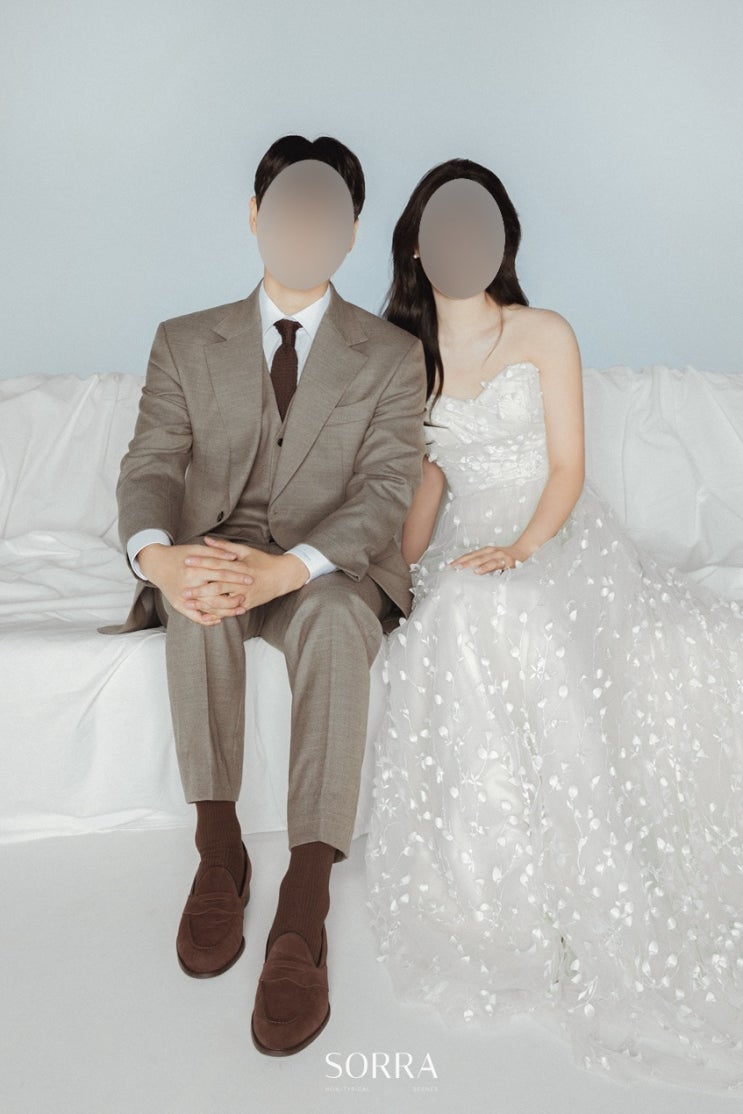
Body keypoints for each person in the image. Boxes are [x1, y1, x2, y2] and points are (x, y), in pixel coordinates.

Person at [364, 156, 743, 1092]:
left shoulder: (543, 332)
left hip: (558, 534)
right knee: (457, 614)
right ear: (418, 247)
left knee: (513, 605)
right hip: (470, 544)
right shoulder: (404, 358)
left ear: (501, 240)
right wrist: (392, 573)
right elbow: (424, 497)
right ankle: (496, 886)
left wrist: (526, 547)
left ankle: (580, 878)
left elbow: (567, 468)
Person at [97, 134, 427, 1056]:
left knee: (334, 619)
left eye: (328, 213)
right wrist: (157, 560)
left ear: (351, 231)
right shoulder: (183, 340)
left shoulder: (391, 355)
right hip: (219, 550)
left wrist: (291, 568)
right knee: (199, 587)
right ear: (254, 216)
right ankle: (219, 851)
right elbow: (150, 465)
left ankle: (304, 901)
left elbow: (385, 492)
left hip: (326, 569)